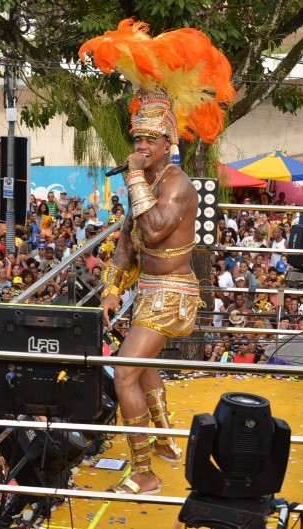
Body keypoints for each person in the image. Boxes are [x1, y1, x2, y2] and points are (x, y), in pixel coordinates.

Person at [82, 19, 234, 495]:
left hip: (172, 293)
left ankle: (144, 473)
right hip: (146, 290)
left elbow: (152, 227)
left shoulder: (177, 185)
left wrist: (132, 178)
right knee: (143, 366)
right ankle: (165, 440)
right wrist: (111, 291)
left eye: (149, 140)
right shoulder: (146, 183)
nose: (141, 147)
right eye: (137, 140)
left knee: (125, 373)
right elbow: (129, 241)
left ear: (169, 145)